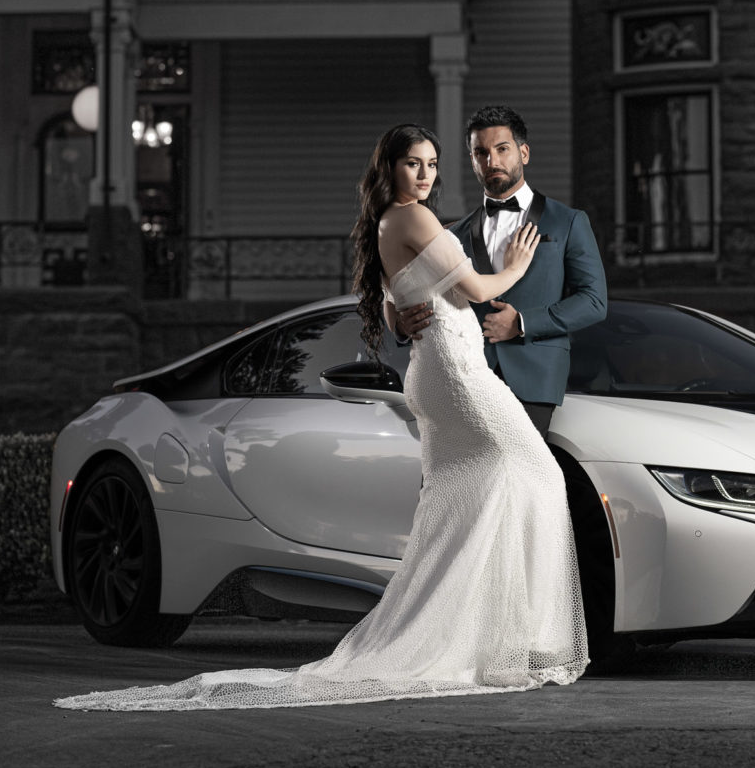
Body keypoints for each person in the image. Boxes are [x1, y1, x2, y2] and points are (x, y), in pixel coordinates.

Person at [55, 122, 588, 712]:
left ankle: (487, 637)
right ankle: (509, 640)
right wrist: (513, 266)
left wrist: (394, 315)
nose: (426, 175)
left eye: (434, 164)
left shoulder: (396, 223)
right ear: (389, 167)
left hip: (441, 369)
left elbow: (403, 292)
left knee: (473, 496)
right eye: (414, 163)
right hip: (457, 374)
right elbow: (480, 289)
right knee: (534, 472)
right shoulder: (411, 217)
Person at [393, 105, 608, 437]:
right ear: (472, 160)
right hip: (463, 379)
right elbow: (414, 294)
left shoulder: (568, 222)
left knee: (520, 481)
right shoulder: (452, 234)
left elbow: (594, 301)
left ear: (523, 152)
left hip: (533, 382)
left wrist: (522, 323)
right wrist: (402, 324)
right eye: (480, 152)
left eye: (501, 149)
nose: (491, 161)